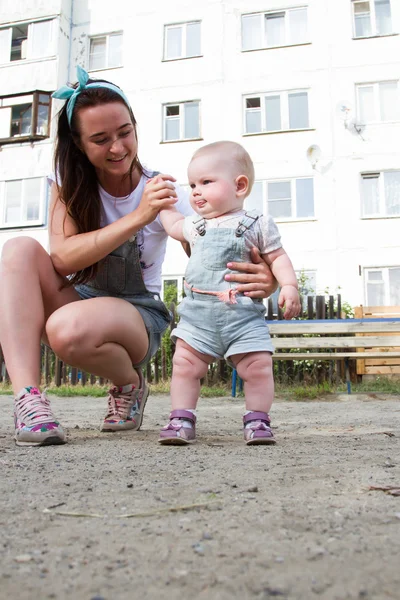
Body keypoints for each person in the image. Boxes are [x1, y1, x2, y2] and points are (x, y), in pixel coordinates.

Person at [0, 67, 277, 447]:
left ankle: (130, 383)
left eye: (125, 132)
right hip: (80, 299)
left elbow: (214, 247)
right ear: (79, 144)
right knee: (17, 250)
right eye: (100, 139)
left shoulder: (162, 190)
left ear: (134, 126)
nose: (118, 147)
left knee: (66, 328)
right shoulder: (68, 184)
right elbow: (62, 258)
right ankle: (29, 401)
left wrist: (270, 277)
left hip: (137, 316)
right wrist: (137, 218)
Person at [158, 141, 301, 446]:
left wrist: (288, 285)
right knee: (184, 365)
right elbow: (171, 225)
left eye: (206, 182)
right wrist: (164, 204)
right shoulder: (195, 225)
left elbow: (277, 257)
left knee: (259, 367)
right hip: (198, 317)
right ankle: (181, 418)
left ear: (239, 186)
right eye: (192, 184)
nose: (195, 191)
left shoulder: (257, 223)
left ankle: (258, 421)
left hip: (242, 317)